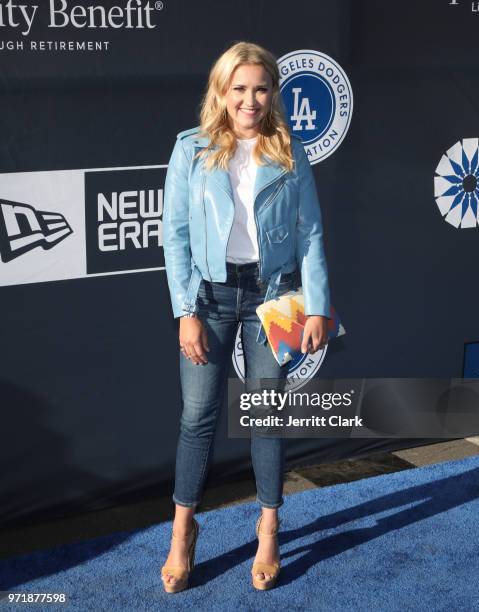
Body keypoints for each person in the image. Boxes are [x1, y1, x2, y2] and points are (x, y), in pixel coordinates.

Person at [160, 40, 331, 593]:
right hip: (207, 298)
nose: (250, 99)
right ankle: (183, 532)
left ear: (272, 93)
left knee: (265, 416)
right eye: (239, 88)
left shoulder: (289, 151)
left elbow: (309, 233)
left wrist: (319, 306)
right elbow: (176, 237)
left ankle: (269, 526)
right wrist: (185, 311)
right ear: (221, 91)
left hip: (271, 296)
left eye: (260, 88)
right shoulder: (191, 149)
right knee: (196, 416)